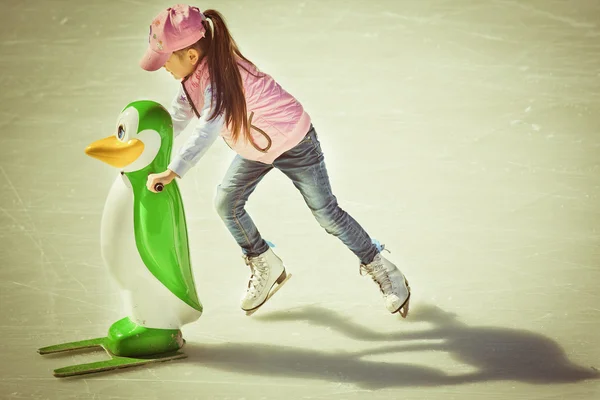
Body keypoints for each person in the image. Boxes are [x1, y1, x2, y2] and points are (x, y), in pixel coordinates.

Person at [139, 4, 410, 316]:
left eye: (165, 59)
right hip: (256, 148)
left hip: (295, 142)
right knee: (227, 202)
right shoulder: (189, 80)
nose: (163, 67)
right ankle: (264, 261)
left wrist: (174, 171)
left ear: (190, 55)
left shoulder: (221, 75)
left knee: (327, 214)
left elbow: (208, 127)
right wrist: (145, 142)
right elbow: (176, 119)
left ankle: (383, 267)